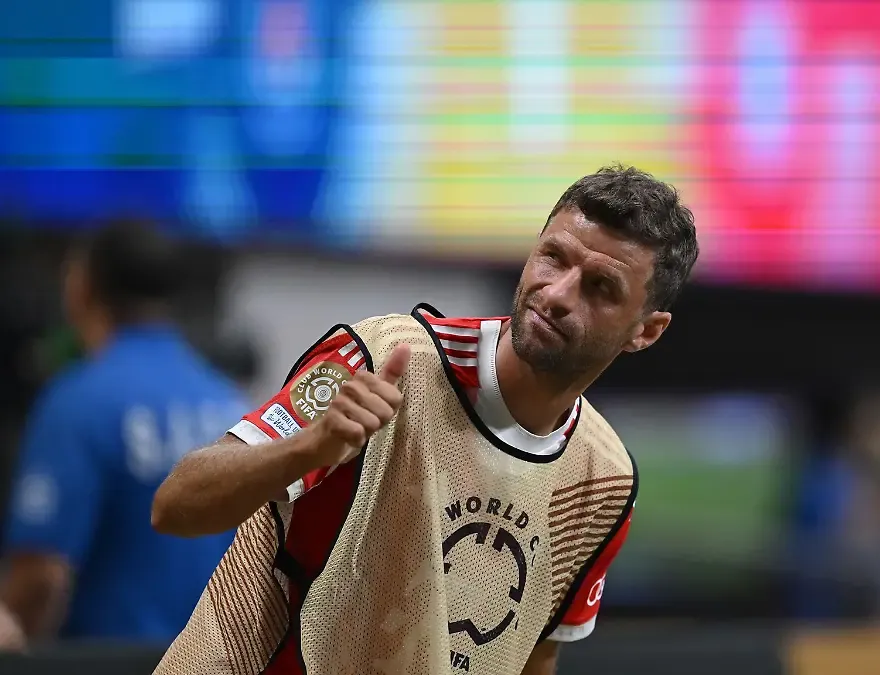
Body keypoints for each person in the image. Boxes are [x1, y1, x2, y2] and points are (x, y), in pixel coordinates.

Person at [150, 164, 700, 675]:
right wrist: (305, 449)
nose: (556, 294)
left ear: (646, 330)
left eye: (600, 287)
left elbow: (534, 655)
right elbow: (176, 506)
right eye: (553, 257)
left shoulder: (602, 479)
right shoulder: (384, 356)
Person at [0, 220, 246, 648]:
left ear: (82, 287)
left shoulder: (79, 401)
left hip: (107, 662)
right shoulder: (228, 401)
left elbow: (41, 576)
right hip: (211, 660)